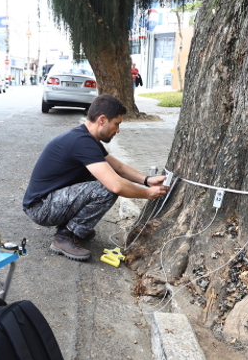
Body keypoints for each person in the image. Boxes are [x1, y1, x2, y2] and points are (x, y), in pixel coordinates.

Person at [22, 94, 169, 261]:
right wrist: (147, 194)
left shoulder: (87, 139)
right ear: (102, 120)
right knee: (106, 188)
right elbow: (115, 185)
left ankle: (73, 226)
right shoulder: (82, 142)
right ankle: (65, 236)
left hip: (50, 199)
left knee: (103, 176)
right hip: (41, 207)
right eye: (117, 124)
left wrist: (147, 180)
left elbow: (118, 167)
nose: (118, 130)